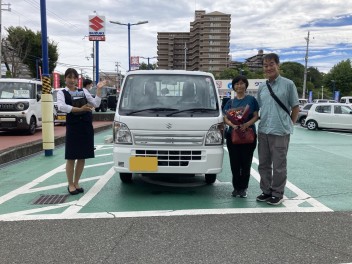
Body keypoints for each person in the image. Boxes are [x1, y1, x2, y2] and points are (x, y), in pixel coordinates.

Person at [256, 53, 300, 205]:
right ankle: (266, 190)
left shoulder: (288, 84)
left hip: (280, 131)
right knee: (263, 164)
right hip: (263, 131)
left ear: (278, 65)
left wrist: (290, 123)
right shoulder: (262, 87)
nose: (268, 68)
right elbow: (259, 107)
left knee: (279, 165)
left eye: (271, 64)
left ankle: (277, 192)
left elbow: (295, 107)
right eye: (265, 65)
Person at [57, 68, 107, 195]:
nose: (72, 80)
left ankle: (77, 182)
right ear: (65, 78)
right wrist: (80, 109)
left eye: (74, 78)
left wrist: (99, 89)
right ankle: (70, 184)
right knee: (71, 156)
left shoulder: (83, 91)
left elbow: (95, 103)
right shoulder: (61, 92)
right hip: (73, 127)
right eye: (69, 77)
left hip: (85, 125)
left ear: (77, 79)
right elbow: (62, 106)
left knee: (82, 156)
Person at [223, 75, 259, 198]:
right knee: (234, 163)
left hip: (248, 136)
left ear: (246, 85)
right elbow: (225, 117)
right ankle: (236, 188)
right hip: (233, 136)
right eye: (237, 84)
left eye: (242, 83)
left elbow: (256, 115)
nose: (239, 86)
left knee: (246, 163)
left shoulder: (251, 100)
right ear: (233, 86)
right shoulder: (230, 102)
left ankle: (243, 188)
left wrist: (246, 124)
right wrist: (233, 125)